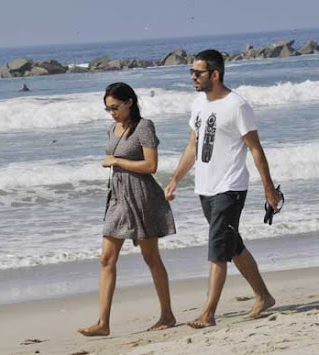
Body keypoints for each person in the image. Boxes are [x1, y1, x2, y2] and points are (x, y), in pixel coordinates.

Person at [164, 49, 280, 328]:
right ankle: (263, 296)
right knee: (231, 245)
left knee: (217, 248)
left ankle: (208, 313)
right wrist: (175, 179)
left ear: (215, 74)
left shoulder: (237, 105)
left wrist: (268, 189)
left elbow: (255, 149)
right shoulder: (198, 104)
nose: (193, 76)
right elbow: (193, 145)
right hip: (205, 187)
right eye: (191, 72)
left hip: (230, 187)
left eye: (198, 72)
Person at [78, 82, 177, 336]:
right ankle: (103, 323)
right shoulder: (113, 128)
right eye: (108, 108)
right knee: (106, 258)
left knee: (151, 257)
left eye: (115, 107)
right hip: (118, 197)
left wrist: (116, 161)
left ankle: (167, 314)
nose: (112, 112)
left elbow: (151, 166)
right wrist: (115, 163)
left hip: (142, 196)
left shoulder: (144, 127)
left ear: (129, 102)